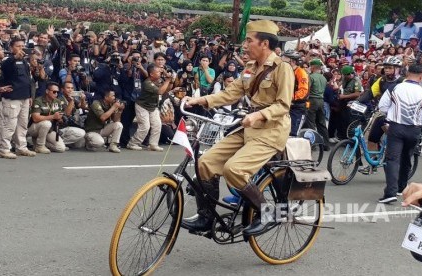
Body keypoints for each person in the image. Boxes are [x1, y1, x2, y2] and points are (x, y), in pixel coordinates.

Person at [182, 20, 294, 236]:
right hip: (248, 128)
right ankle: (206, 217)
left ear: (264, 43)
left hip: (271, 131)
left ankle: (268, 212)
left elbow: (283, 105)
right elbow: (229, 94)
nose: (245, 45)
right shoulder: (250, 69)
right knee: (204, 163)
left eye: (249, 40)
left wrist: (259, 114)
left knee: (234, 170)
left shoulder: (283, 68)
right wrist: (200, 101)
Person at [378, 63, 422, 203]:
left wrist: (394, 114)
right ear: (421, 76)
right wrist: (416, 117)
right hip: (414, 129)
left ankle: (390, 193)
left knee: (392, 159)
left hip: (396, 127)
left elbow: (383, 107)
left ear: (407, 73)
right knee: (406, 159)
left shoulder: (395, 87)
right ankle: (401, 188)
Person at [0, 37, 36, 159]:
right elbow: (5, 68)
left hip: (24, 96)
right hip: (12, 97)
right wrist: (15, 58)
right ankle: (4, 149)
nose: (21, 48)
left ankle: (21, 147)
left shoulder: (24, 61)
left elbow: (28, 79)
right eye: (18, 46)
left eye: (22, 46)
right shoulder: (7, 61)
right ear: (11, 48)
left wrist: (30, 95)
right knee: (9, 124)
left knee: (22, 124)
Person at [127, 64, 168, 151]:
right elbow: (160, 91)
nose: (160, 73)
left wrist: (170, 80)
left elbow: (166, 89)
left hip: (153, 106)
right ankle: (133, 143)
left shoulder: (159, 80)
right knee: (145, 126)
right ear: (151, 74)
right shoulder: (147, 83)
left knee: (157, 125)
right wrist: (168, 80)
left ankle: (153, 144)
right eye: (157, 72)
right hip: (142, 106)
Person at [28, 82, 67, 153]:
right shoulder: (38, 101)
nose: (56, 94)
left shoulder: (57, 102)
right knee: (46, 123)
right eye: (54, 92)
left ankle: (37, 143)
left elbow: (60, 117)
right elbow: (35, 118)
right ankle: (40, 146)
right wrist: (53, 116)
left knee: (61, 148)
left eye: (57, 92)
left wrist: (60, 119)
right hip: (34, 127)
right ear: (47, 91)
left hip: (50, 129)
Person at [281, 50, 309, 136]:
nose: (282, 61)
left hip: (297, 107)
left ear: (292, 61)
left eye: (284, 60)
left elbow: (303, 90)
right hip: (286, 105)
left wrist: (290, 97)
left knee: (292, 133)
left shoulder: (301, 72)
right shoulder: (285, 71)